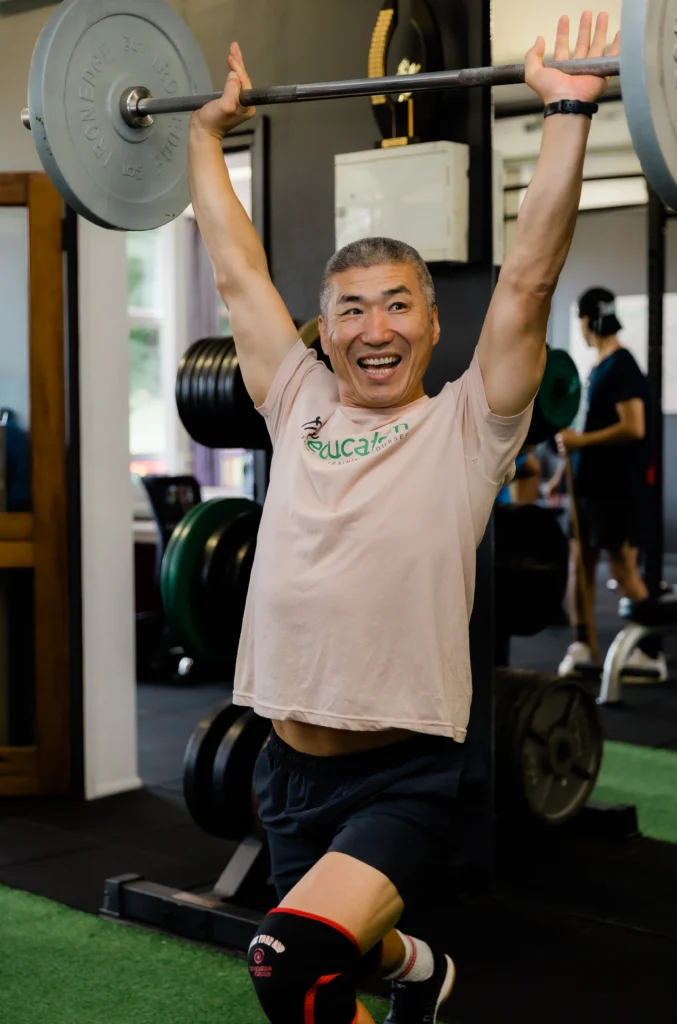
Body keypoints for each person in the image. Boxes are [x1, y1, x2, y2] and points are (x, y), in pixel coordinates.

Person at [188, 13, 617, 1023]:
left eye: (395, 305)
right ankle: (418, 973)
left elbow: (526, 283)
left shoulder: (468, 425)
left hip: (405, 771)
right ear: (323, 327)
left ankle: (398, 971)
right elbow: (235, 270)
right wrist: (204, 137)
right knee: (346, 949)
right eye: (349, 307)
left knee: (285, 962)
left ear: (429, 322)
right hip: (284, 765)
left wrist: (564, 111)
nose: (372, 327)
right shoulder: (294, 401)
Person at [554, 287, 667, 681]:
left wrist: (581, 442)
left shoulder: (622, 366)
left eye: (581, 322)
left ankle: (651, 653)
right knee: (578, 565)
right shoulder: (597, 368)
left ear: (588, 320)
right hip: (586, 485)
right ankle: (583, 646)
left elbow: (634, 426)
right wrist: (558, 475)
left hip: (615, 489)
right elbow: (585, 427)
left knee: (622, 567)